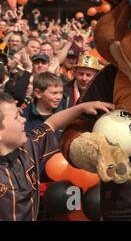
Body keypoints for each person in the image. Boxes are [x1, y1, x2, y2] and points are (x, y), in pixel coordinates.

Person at [0, 92, 114, 221]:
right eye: (16, 117)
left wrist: (82, 107)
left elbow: (51, 124)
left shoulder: (27, 148)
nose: (23, 119)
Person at [22, 72, 69, 140]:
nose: (59, 97)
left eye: (61, 93)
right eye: (54, 93)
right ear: (38, 93)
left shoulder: (65, 115)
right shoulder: (24, 117)